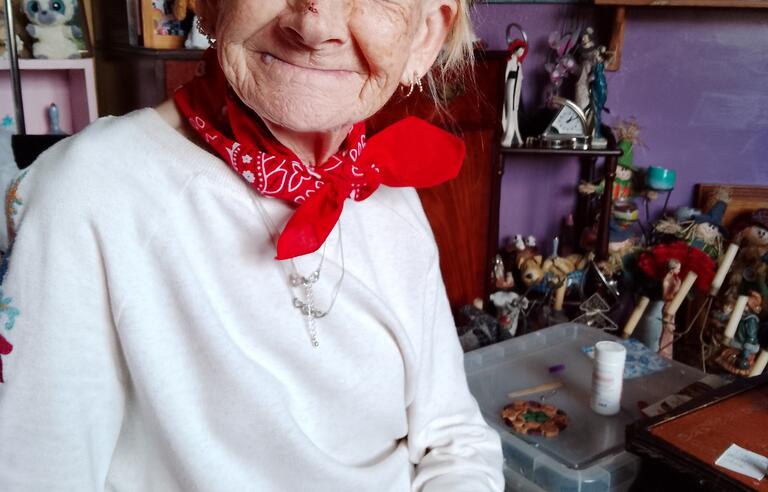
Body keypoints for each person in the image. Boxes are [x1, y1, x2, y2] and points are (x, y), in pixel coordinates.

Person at [0, 0, 504, 490]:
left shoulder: (390, 193)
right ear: (208, 4)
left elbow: (452, 439)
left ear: (424, 37)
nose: (316, 25)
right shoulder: (93, 190)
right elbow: (37, 473)